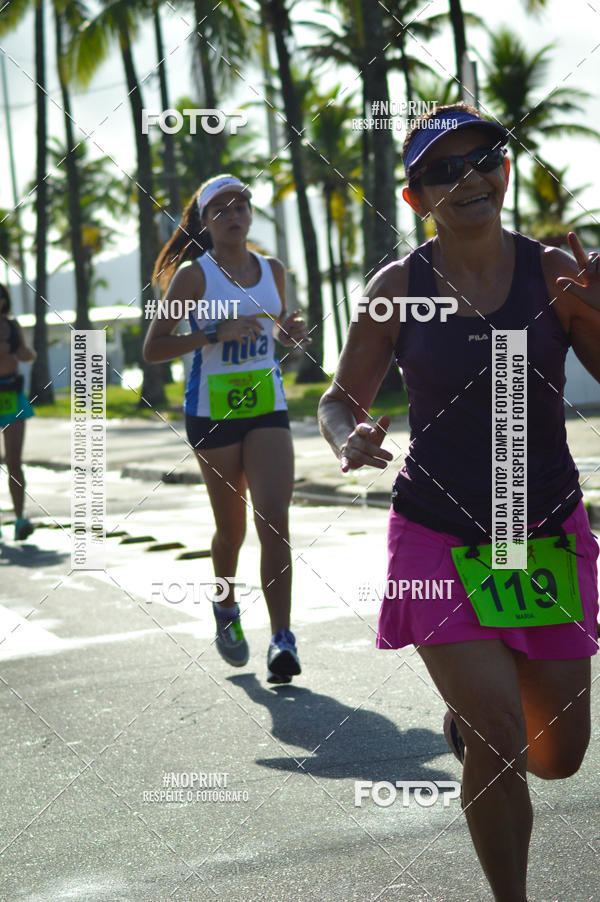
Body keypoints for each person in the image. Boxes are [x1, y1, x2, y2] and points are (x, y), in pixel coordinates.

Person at [318, 103, 600, 902]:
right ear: (416, 198)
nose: (469, 178)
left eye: (484, 159)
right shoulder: (398, 287)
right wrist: (347, 437)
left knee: (559, 757)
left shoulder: (554, 272)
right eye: (444, 170)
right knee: (501, 740)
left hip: (541, 529)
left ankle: (469, 724)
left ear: (504, 171)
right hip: (437, 534)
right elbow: (339, 399)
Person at [144, 174, 310, 683]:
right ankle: (225, 605)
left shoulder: (272, 269)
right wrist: (213, 333)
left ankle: (282, 639)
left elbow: (276, 333)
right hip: (212, 411)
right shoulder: (194, 276)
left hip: (266, 406)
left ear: (250, 215)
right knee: (231, 530)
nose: (233, 216)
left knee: (274, 520)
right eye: (221, 209)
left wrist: (289, 334)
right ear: (205, 222)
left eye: (241, 207)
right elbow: (153, 349)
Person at [0, 283, 36, 541]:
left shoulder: (13, 326)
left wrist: (25, 353)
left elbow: (26, 354)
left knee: (14, 461)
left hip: (12, 394)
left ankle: (20, 518)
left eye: (1, 297)